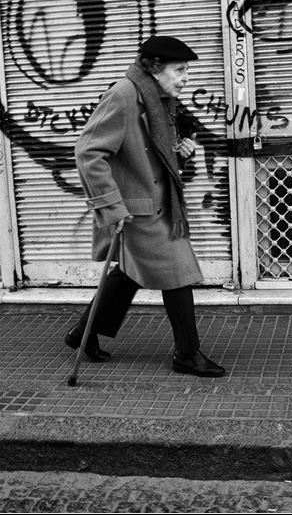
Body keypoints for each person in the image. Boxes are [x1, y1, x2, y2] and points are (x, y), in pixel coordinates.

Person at [63, 35, 226, 378]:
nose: (185, 78)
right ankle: (187, 353)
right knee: (178, 274)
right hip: (136, 210)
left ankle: (82, 334)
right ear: (154, 68)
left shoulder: (157, 97)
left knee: (127, 275)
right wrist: (111, 207)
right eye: (179, 70)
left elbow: (154, 142)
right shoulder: (123, 94)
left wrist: (179, 145)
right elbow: (88, 153)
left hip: (160, 204)